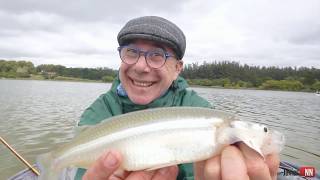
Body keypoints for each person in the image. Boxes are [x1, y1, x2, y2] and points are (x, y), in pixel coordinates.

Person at [74, 16, 280, 180]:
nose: (140, 66)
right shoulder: (98, 113)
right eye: (131, 53)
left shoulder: (200, 111)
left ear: (177, 69)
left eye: (157, 55)